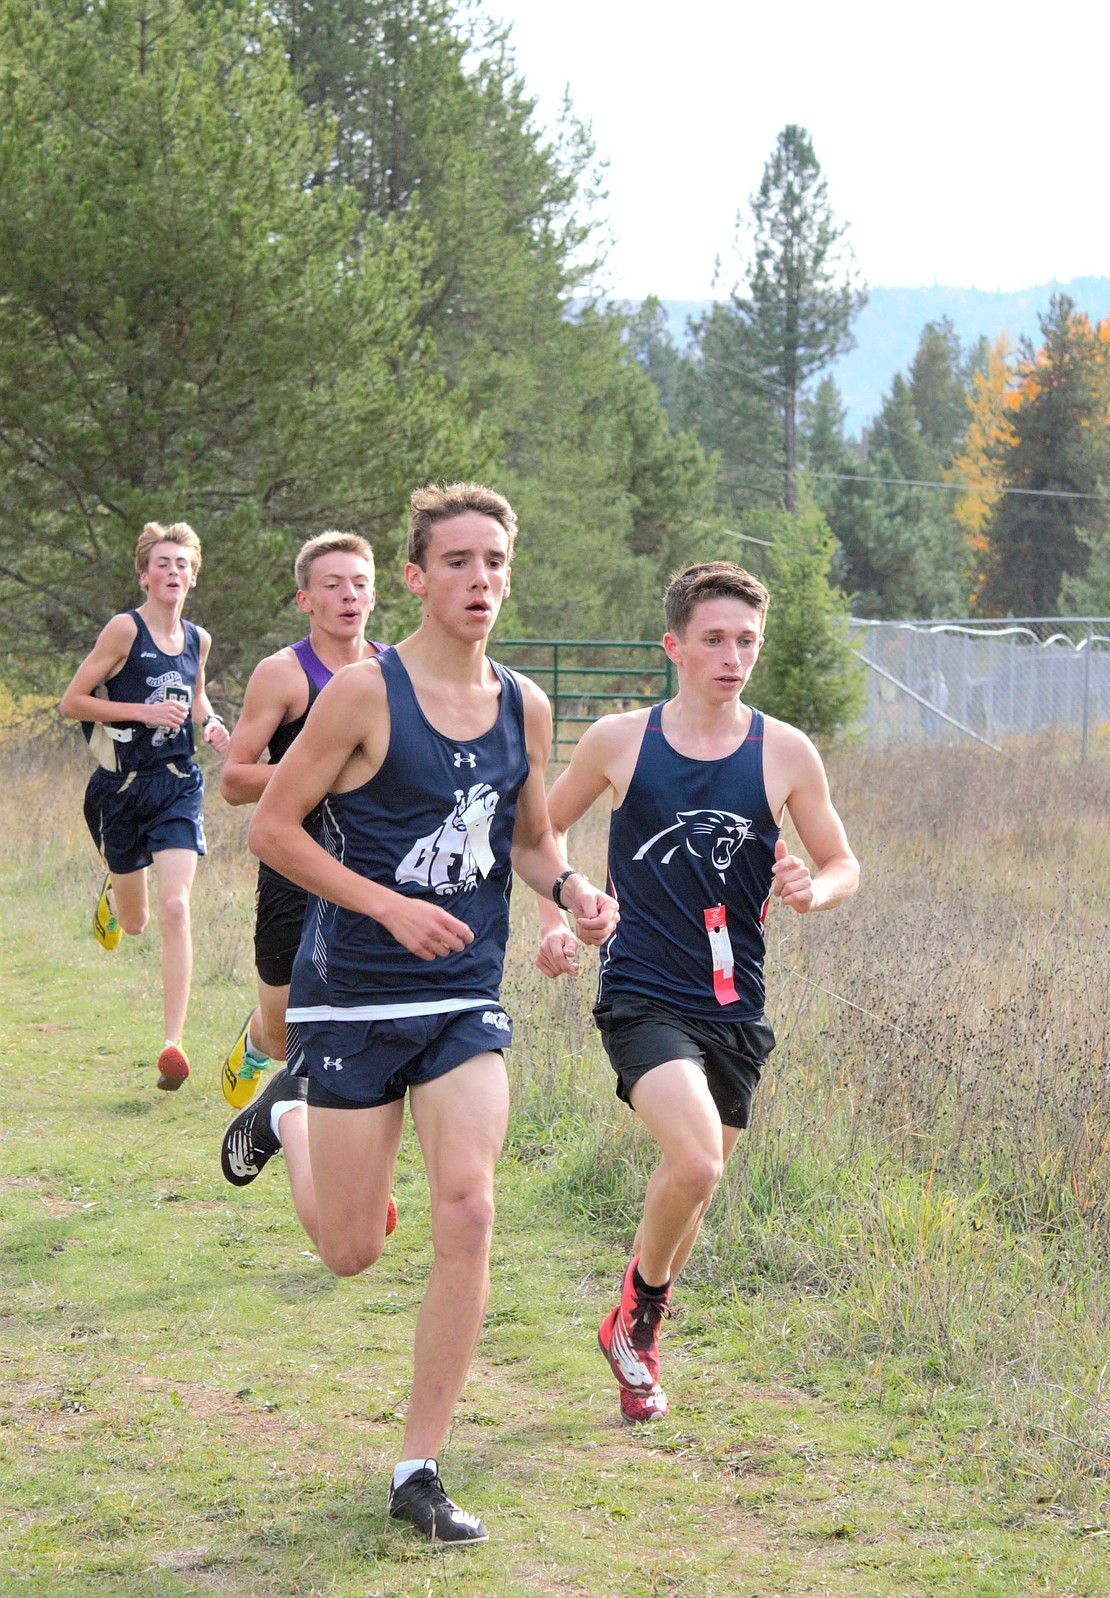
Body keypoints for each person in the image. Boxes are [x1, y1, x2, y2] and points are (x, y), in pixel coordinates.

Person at [219, 482, 619, 1546]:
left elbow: (530, 837)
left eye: (495, 561)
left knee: (468, 1205)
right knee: (349, 1249)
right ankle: (287, 1112)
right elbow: (272, 828)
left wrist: (568, 889)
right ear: (416, 575)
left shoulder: (525, 705)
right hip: (350, 995)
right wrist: (388, 903)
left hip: (462, 998)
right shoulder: (362, 694)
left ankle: (419, 1465)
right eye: (458, 562)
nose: (480, 580)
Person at [534, 560, 859, 1424]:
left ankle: (633, 1321)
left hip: (735, 1003)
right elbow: (543, 828)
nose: (733, 656)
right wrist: (563, 913)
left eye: (747, 640)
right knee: (697, 1157)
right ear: (674, 645)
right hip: (641, 988)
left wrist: (810, 890)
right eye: (714, 639)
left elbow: (842, 862)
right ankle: (640, 1324)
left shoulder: (784, 751)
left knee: (698, 1184)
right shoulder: (619, 740)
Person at [217, 529, 402, 1236]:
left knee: (342, 1038)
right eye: (332, 583)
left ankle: (329, 1156)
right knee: (280, 1023)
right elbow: (235, 781)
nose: (348, 595)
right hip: (294, 872)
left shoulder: (394, 672)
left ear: (376, 593)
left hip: (371, 876)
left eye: (359, 582)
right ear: (305, 599)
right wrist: (322, 770)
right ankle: (263, 1058)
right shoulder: (283, 674)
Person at [59, 520, 231, 1089]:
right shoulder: (123, 631)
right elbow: (73, 702)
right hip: (122, 789)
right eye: (163, 563)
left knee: (176, 908)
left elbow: (198, 693)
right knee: (135, 924)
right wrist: (142, 713)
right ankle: (115, 891)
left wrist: (211, 723)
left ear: (194, 578)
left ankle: (173, 1044)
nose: (173, 573)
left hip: (179, 783)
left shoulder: (199, 640)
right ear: (145, 574)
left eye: (183, 565)